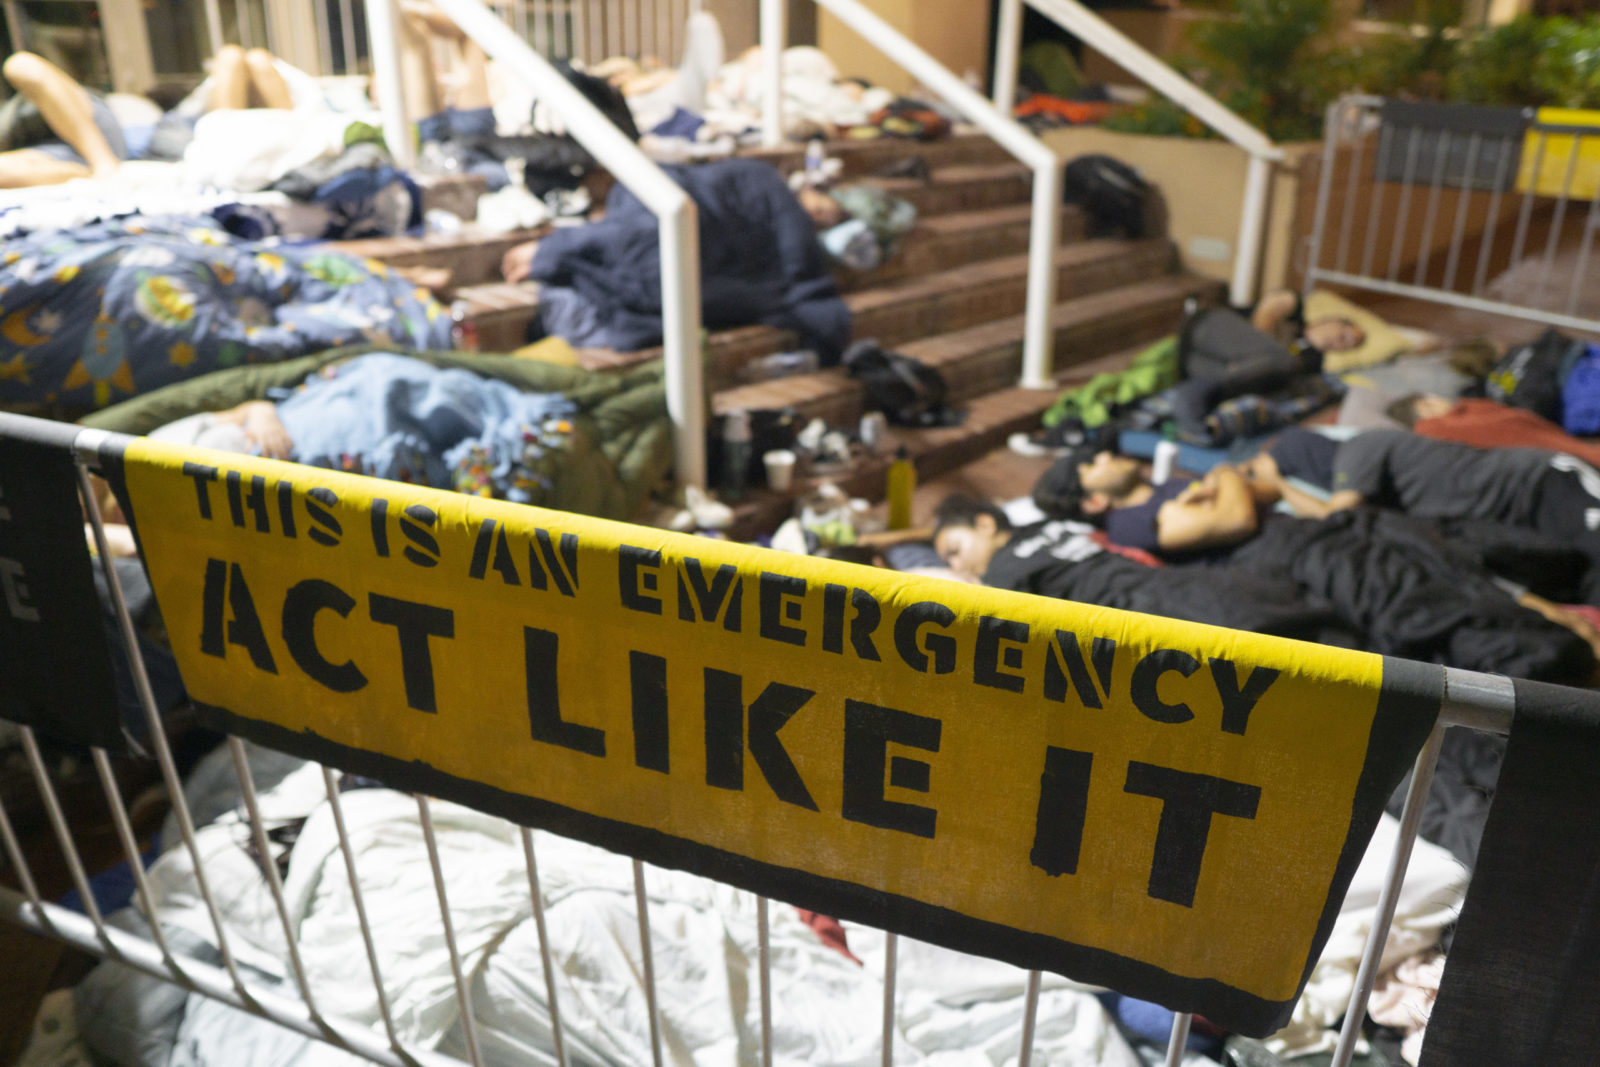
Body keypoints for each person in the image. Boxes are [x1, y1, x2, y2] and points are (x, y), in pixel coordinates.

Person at [1030, 445, 1261, 560]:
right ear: (1094, 502)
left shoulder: (1167, 486)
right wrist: (1225, 472)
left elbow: (1267, 489)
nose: (1106, 455)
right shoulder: (1128, 525)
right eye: (1092, 465)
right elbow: (1237, 519)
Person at [0, 51, 127, 187]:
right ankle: (99, 171)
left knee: (20, 65)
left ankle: (104, 162)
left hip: (87, 124)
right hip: (53, 154)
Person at [1387, 393, 1600, 469]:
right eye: (1430, 399)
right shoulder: (1431, 429)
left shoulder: (1464, 411)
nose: (1439, 398)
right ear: (1422, 407)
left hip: (1558, 446)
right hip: (1552, 458)